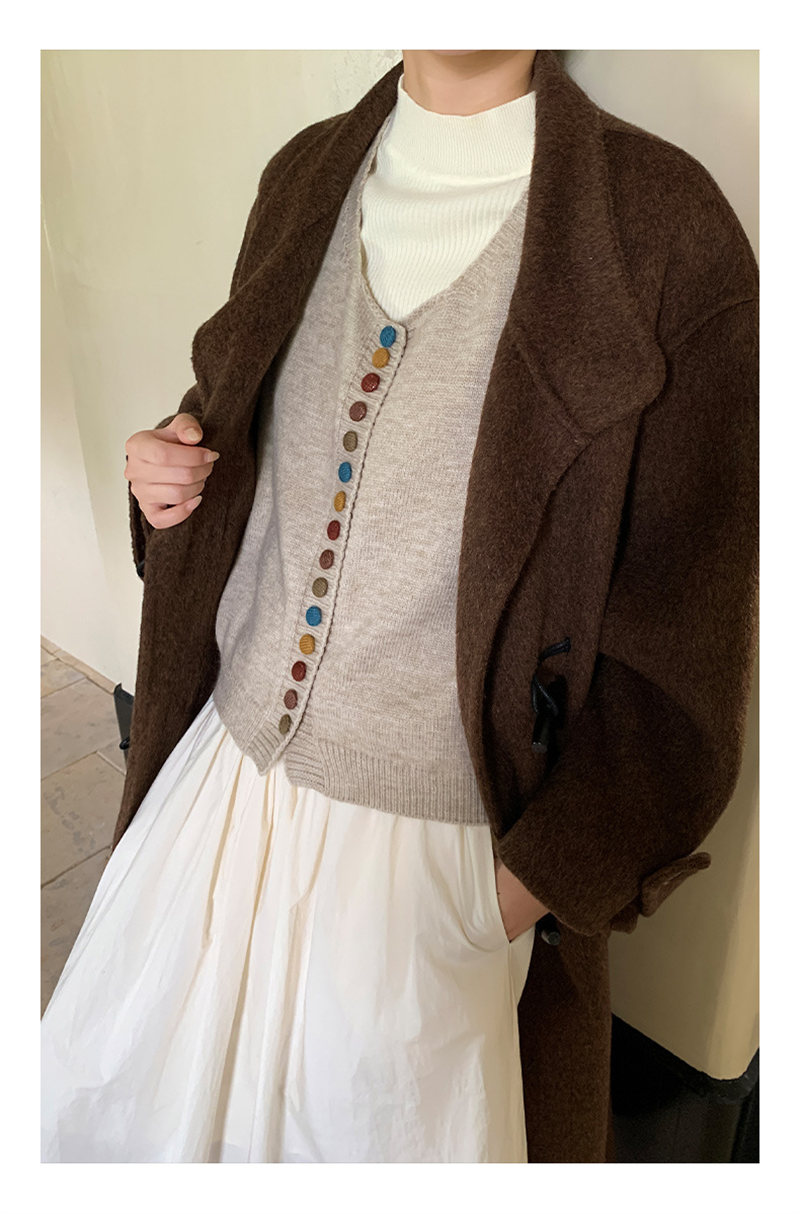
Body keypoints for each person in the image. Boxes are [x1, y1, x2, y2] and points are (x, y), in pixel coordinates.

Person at [41, 49, 759, 1164]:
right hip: (212, 799)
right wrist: (168, 472)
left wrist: (505, 899)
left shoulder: (667, 232)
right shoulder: (304, 173)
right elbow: (241, 423)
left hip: (433, 870)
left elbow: (683, 655)